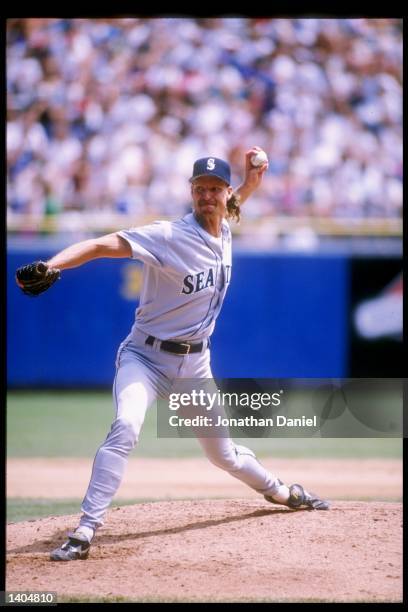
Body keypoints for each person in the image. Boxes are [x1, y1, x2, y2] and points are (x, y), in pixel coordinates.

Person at [16, 147, 329, 562]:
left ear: (225, 193)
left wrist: (253, 182)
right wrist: (53, 265)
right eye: (201, 189)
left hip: (194, 367)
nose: (208, 196)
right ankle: (85, 530)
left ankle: (282, 491)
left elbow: (234, 206)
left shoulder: (225, 229)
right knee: (126, 426)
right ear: (191, 191)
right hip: (144, 359)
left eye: (215, 189)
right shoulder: (168, 236)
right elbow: (99, 245)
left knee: (225, 455)